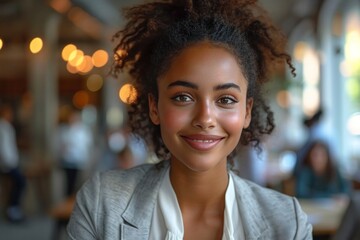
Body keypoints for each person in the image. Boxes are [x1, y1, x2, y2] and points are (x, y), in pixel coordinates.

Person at [67, 0, 312, 239]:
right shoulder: (102, 204)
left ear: (247, 112)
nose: (205, 118)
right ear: (154, 106)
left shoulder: (288, 223)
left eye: (226, 99)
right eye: (183, 97)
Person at [56, 107, 93, 197]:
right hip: (68, 161)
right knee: (69, 183)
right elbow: (59, 145)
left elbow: (87, 145)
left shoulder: (84, 130)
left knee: (80, 184)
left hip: (80, 161)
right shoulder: (64, 130)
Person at [0, 103, 26, 222]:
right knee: (21, 182)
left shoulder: (7, 127)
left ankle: (13, 209)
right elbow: (4, 148)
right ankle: (13, 209)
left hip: (10, 163)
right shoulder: (3, 127)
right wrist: (9, 163)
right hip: (7, 164)